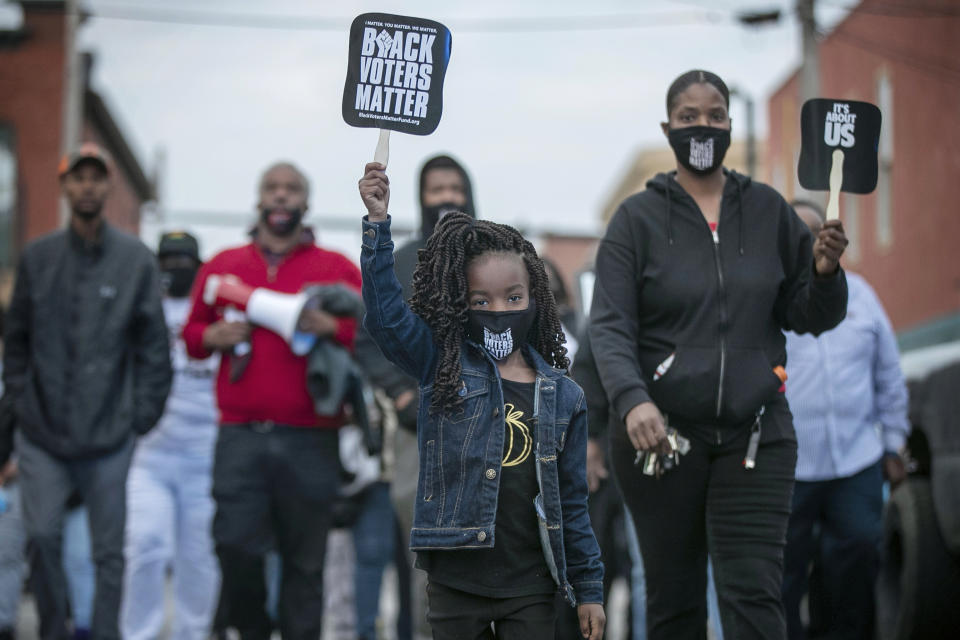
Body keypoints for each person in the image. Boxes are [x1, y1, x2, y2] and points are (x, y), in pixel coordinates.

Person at [589, 70, 850, 640]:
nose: (701, 126)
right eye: (688, 117)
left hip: (756, 437)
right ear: (668, 127)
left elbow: (811, 316)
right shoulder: (635, 221)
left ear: (730, 126)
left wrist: (826, 274)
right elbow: (608, 325)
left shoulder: (768, 211)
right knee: (675, 599)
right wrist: (632, 401)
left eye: (714, 115)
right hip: (661, 439)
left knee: (754, 595)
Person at [358, 162, 606, 640]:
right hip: (456, 581)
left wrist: (589, 587)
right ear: (460, 303)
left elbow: (572, 504)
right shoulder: (441, 365)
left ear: (537, 299)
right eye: (481, 301)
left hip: (531, 585)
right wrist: (376, 226)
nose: (499, 312)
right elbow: (386, 319)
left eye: (514, 298)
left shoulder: (565, 396)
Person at [183, 161, 361, 639]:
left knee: (305, 565)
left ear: (306, 203)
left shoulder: (337, 269)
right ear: (259, 200)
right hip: (240, 435)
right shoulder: (223, 265)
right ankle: (256, 627)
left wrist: (332, 328)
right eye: (273, 188)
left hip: (311, 440)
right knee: (234, 546)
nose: (281, 196)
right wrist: (213, 334)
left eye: (292, 189)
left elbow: (366, 334)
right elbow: (192, 334)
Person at [2, 142, 172, 639]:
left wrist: (137, 417)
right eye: (78, 177)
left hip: (109, 437)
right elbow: (15, 345)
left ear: (108, 185)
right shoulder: (37, 257)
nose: (87, 186)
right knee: (41, 536)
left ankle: (103, 634)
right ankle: (54, 630)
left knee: (109, 553)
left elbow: (154, 350)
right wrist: (20, 403)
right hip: (41, 434)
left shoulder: (136, 260)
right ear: (64, 186)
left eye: (97, 177)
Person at [355, 153, 477, 640]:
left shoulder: (494, 258)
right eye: (435, 189)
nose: (446, 197)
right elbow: (370, 336)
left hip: (485, 431)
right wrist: (405, 399)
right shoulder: (402, 259)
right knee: (423, 569)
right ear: (421, 197)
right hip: (416, 437)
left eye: (455, 188)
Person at [780, 200, 909, 640]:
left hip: (856, 460)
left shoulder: (863, 295)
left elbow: (888, 373)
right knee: (782, 579)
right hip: (788, 469)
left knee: (855, 564)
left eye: (816, 230)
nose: (809, 241)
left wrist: (893, 441)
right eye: (797, 233)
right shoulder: (771, 302)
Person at [121, 231, 221, 639]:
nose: (174, 269)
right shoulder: (142, 311)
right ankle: (137, 634)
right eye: (168, 260)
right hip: (151, 455)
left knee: (198, 558)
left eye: (184, 261)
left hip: (205, 455)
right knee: (144, 546)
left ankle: (192, 634)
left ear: (198, 267)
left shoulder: (216, 312)